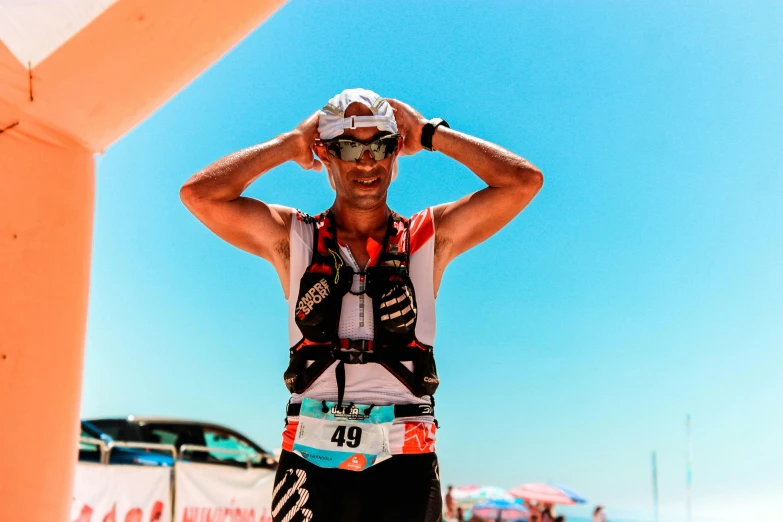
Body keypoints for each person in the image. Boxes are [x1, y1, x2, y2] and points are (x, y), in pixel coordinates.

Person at [181, 88, 543, 522]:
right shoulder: (294, 237)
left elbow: (524, 182)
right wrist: (289, 145)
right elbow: (200, 195)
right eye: (350, 147)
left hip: (405, 465)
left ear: (396, 155)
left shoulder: (427, 237)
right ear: (327, 156)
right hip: (310, 463)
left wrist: (430, 133)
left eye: (381, 146)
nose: (367, 161)